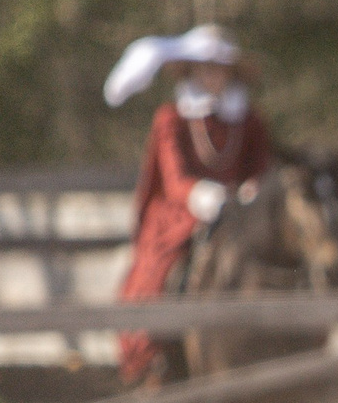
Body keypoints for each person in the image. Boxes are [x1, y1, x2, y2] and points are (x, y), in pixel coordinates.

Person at [104, 26, 273, 383]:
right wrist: (203, 196)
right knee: (163, 268)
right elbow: (174, 177)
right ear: (193, 71)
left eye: (219, 68)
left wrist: (251, 189)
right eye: (204, 68)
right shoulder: (173, 118)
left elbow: (260, 164)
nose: (212, 75)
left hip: (240, 211)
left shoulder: (249, 119)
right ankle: (156, 352)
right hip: (182, 212)